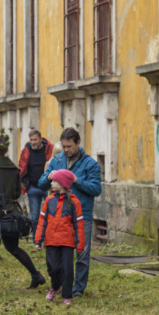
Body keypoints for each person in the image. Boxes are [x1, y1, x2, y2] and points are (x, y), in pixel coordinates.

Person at [36, 127, 101, 297]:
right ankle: (59, 284)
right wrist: (49, 176)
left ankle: (77, 289)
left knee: (82, 252)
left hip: (81, 214)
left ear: (78, 143)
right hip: (58, 215)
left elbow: (96, 189)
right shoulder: (57, 160)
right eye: (63, 146)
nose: (66, 150)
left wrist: (77, 180)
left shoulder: (90, 164)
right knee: (58, 254)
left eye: (69, 146)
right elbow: (41, 183)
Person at [0, 131, 46, 294]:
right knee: (13, 248)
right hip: (11, 214)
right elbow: (17, 193)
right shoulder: (13, 168)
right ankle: (36, 274)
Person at [34, 169, 84, 305]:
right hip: (51, 241)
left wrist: (80, 244)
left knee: (67, 270)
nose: (52, 183)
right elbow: (42, 221)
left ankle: (67, 296)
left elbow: (78, 224)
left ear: (63, 184)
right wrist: (38, 239)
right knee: (53, 268)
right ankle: (56, 287)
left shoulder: (75, 202)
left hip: (67, 242)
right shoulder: (49, 200)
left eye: (55, 181)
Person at [19, 130, 53, 236]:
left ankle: (49, 238)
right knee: (34, 216)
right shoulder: (26, 150)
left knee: (51, 214)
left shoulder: (49, 149)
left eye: (35, 139)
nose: (33, 142)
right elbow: (21, 167)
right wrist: (25, 184)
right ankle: (36, 240)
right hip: (33, 187)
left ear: (40, 139)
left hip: (49, 187)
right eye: (31, 140)